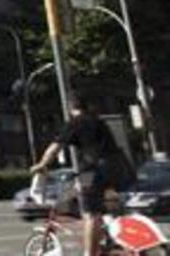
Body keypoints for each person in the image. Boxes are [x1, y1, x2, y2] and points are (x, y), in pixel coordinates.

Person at [31, 93, 132, 256]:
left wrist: (42, 165)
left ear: (71, 108)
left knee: (90, 213)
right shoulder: (99, 122)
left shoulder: (75, 123)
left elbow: (54, 148)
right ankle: (110, 237)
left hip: (94, 169)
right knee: (106, 207)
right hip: (118, 167)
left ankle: (90, 253)